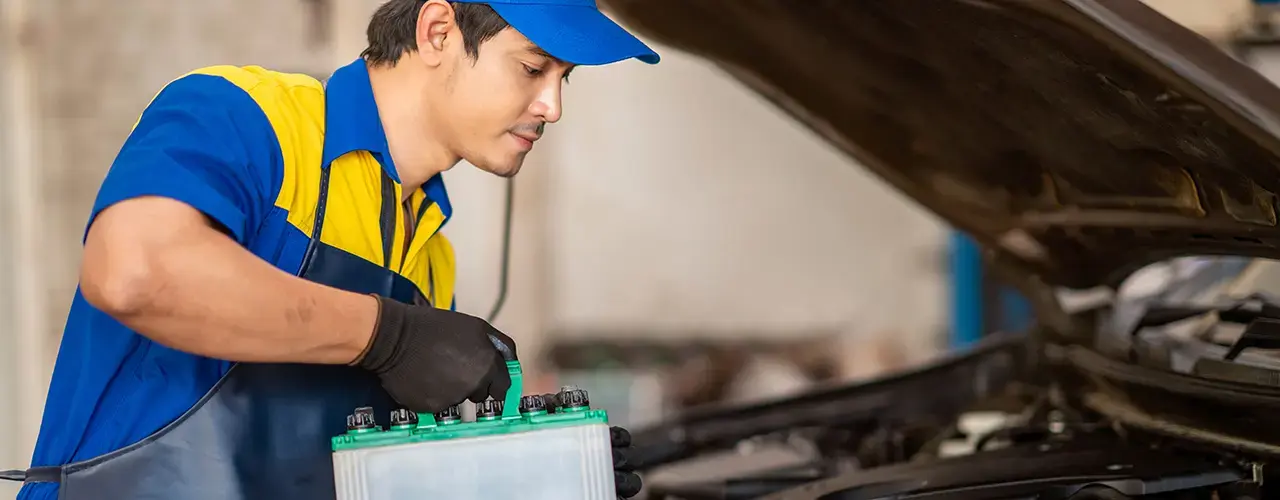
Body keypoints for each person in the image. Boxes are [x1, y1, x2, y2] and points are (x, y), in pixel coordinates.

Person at [2, 0, 659, 498]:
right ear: (436, 32)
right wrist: (388, 336)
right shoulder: (242, 117)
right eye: (533, 67)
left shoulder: (430, 258)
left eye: (564, 78)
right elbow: (134, 272)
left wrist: (539, 469)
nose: (552, 105)